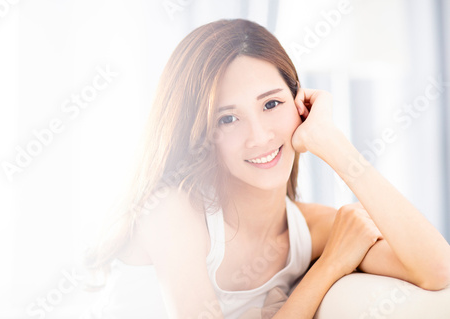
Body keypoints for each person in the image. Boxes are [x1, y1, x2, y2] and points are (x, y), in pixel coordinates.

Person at [84, 19, 450, 319]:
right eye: (228, 118)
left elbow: (436, 269)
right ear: (200, 133)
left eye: (272, 104)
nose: (258, 136)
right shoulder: (173, 212)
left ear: (300, 105)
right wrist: (329, 267)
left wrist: (333, 143)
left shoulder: (311, 230)